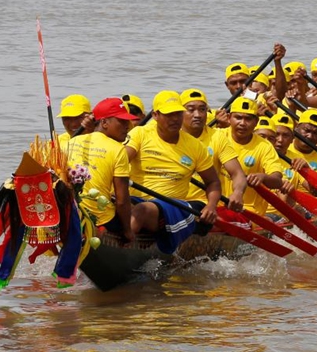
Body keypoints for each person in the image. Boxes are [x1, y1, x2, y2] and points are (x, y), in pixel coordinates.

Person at [125, 90, 221, 253]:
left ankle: (123, 249)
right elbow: (120, 161)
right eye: (169, 114)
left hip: (172, 206)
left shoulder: (194, 146)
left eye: (178, 113)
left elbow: (213, 182)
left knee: (141, 211)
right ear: (155, 115)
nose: (175, 119)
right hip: (136, 199)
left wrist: (211, 206)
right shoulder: (140, 134)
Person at [68, 97, 139, 243]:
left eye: (128, 121)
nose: (128, 126)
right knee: (135, 212)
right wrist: (127, 230)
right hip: (99, 216)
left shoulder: (72, 141)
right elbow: (121, 200)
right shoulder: (118, 150)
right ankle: (103, 232)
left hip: (71, 211)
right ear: (104, 122)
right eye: (122, 121)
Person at [180, 88, 246, 217]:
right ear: (179, 113)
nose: (198, 115)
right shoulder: (170, 135)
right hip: (171, 198)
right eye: (191, 109)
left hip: (202, 203)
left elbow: (237, 173)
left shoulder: (217, 137)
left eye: (202, 109)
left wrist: (238, 192)